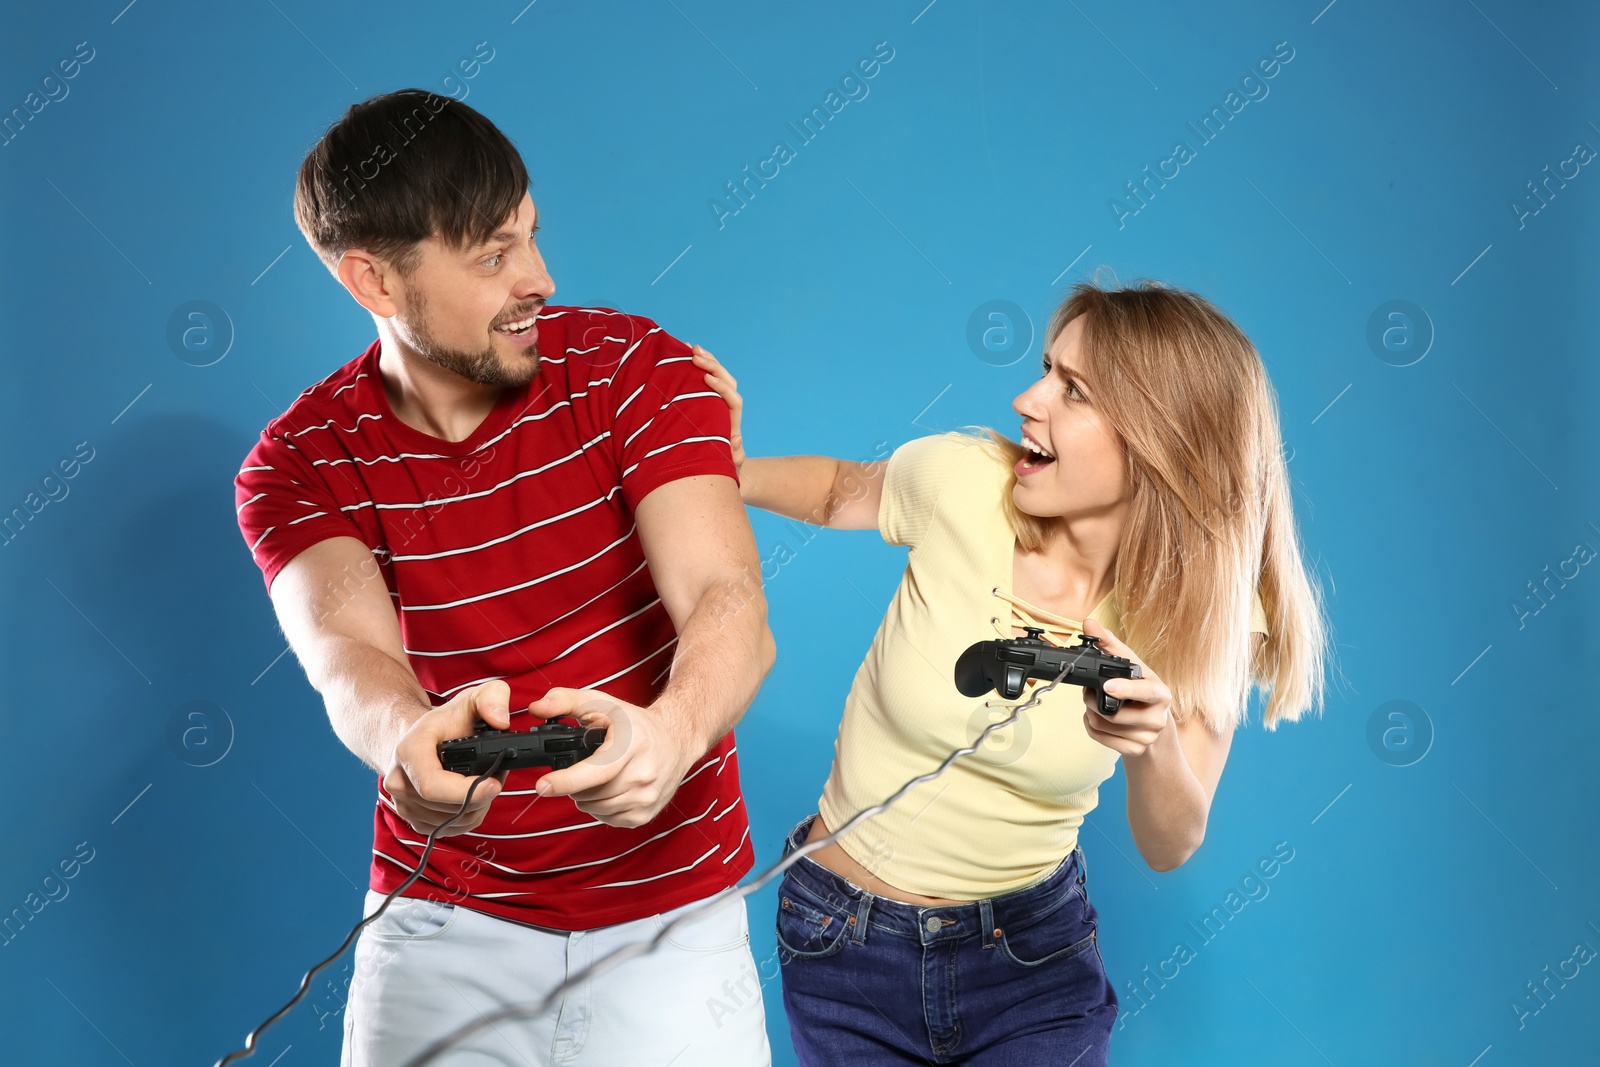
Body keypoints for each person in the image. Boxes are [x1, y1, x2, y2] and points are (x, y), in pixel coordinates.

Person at [232, 88, 776, 1065]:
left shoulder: (636, 370)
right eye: (492, 255)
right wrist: (406, 742)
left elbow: (725, 598)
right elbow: (348, 652)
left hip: (672, 921)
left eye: (530, 234)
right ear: (374, 280)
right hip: (441, 925)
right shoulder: (298, 463)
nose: (539, 276)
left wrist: (677, 726)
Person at [690, 278, 1328, 1065]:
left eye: (1074, 391)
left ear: (1162, 440)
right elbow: (837, 491)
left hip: (1031, 961)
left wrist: (1151, 741)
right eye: (1045, 370)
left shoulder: (1202, 613)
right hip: (841, 941)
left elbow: (1172, 844)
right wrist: (722, 465)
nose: (1028, 399)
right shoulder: (963, 482)